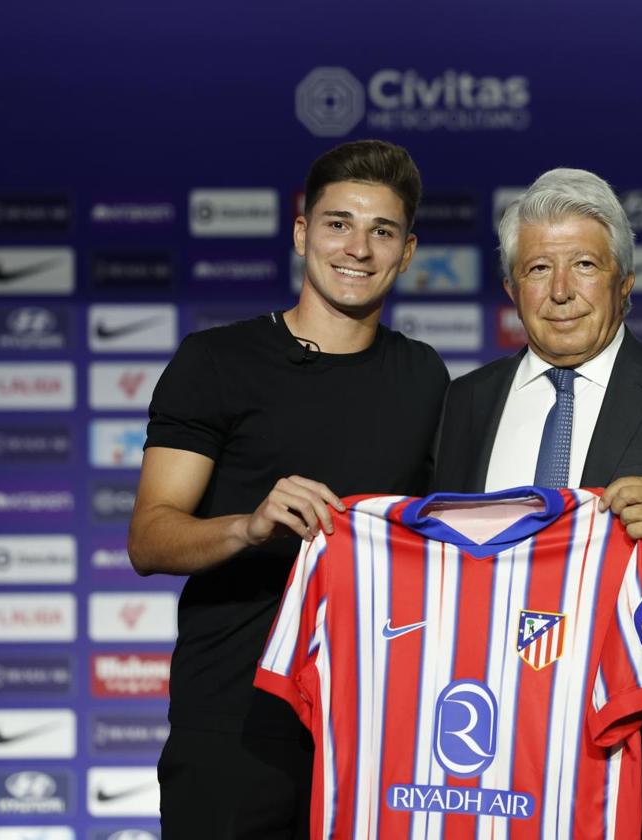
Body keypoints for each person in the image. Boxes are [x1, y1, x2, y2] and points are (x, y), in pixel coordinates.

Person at [433, 167, 642, 839]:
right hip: (483, 751)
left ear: (625, 284)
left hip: (637, 748)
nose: (560, 291)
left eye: (584, 264)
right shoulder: (463, 401)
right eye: (537, 269)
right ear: (510, 289)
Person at [128, 139, 448, 839]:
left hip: (377, 726)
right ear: (303, 233)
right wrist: (248, 525)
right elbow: (150, 536)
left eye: (382, 231)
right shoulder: (215, 362)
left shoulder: (426, 378)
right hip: (234, 721)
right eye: (338, 223)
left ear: (407, 251)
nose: (358, 248)